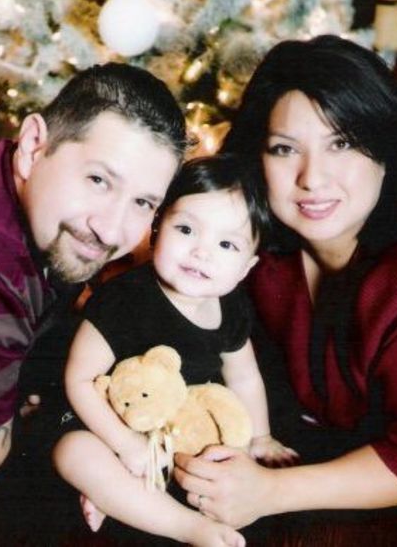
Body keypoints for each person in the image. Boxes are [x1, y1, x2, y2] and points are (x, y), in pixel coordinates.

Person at [174, 35, 397, 529]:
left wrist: (269, 491)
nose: (312, 179)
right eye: (284, 149)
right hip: (307, 462)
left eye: (342, 143)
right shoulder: (253, 237)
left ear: (385, 145)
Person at [0, 62, 186, 502]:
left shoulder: (11, 180)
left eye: (143, 202)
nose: (111, 230)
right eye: (99, 180)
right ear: (34, 145)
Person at [53, 154, 297, 547]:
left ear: (246, 268)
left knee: (219, 460)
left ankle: (121, 497)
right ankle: (186, 526)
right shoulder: (124, 299)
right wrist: (125, 445)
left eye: (226, 244)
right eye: (185, 229)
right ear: (156, 230)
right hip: (108, 420)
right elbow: (79, 379)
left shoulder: (232, 306)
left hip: (178, 429)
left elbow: (244, 375)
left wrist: (261, 438)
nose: (201, 252)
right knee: (74, 452)